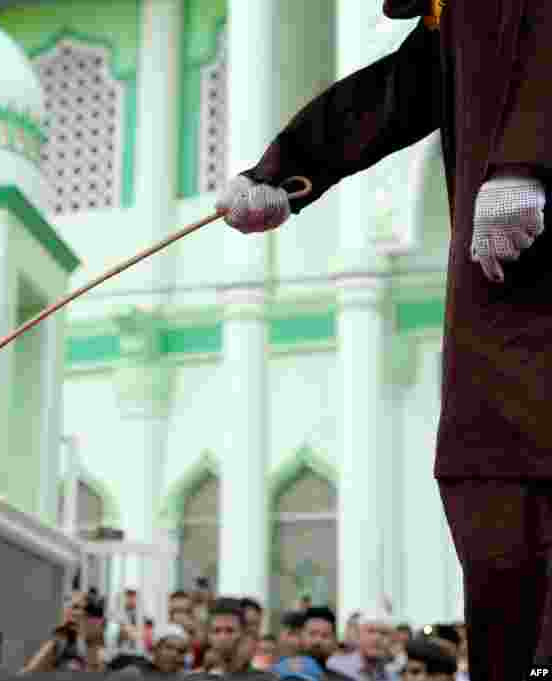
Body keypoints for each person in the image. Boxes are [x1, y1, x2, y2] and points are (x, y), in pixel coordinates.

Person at [213, 2, 552, 679]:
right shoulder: (457, 16)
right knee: (487, 472)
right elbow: (401, 89)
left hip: (528, 252)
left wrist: (525, 161)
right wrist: (282, 174)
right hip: (499, 291)